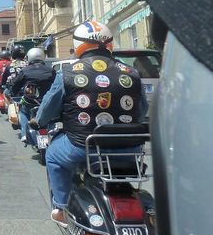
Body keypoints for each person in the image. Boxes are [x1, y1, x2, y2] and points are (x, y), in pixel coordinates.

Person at [136, 0, 213, 235]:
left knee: (58, 159)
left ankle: (60, 204)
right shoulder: (127, 73)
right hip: (123, 146)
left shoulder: (67, 77)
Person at [31, 20, 148, 224]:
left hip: (82, 146)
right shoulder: (131, 73)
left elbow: (46, 111)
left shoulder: (67, 72)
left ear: (78, 45)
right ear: (109, 44)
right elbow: (142, 110)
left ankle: (61, 207)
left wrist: (39, 120)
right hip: (129, 149)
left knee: (52, 156)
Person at [11, 47, 56, 144]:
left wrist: (13, 92)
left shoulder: (25, 71)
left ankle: (23, 134)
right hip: (47, 102)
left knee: (22, 112)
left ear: (29, 57)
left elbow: (16, 85)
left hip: (30, 102)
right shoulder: (50, 70)